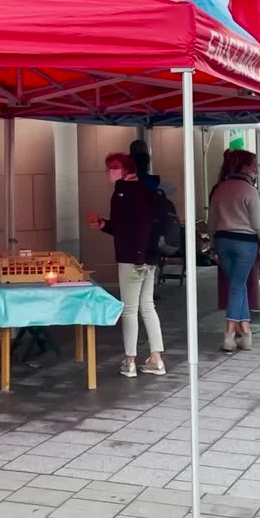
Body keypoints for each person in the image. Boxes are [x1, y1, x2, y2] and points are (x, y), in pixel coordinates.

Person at [90, 153, 165, 378]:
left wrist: (138, 257)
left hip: (132, 259)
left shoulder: (125, 192)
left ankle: (130, 361)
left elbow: (139, 226)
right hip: (147, 257)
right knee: (147, 306)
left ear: (125, 170)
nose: (109, 172)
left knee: (130, 309)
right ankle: (156, 358)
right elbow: (127, 227)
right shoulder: (143, 189)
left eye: (112, 168)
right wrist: (104, 224)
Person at [208, 149, 260, 352]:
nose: (256, 169)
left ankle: (245, 332)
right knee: (237, 286)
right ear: (245, 167)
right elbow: (258, 223)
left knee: (238, 285)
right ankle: (229, 334)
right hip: (246, 243)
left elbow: (212, 221)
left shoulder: (219, 188)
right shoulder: (249, 190)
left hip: (222, 241)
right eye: (253, 165)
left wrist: (212, 244)